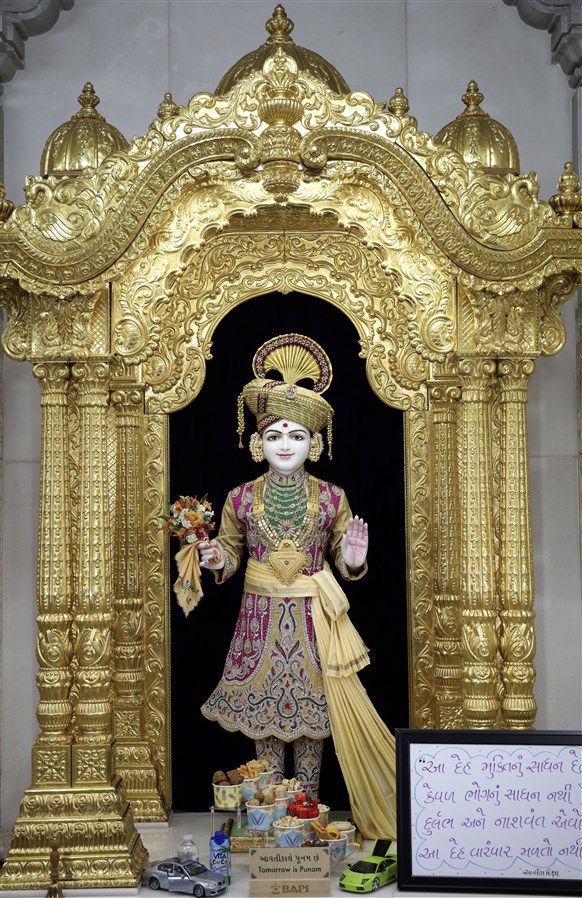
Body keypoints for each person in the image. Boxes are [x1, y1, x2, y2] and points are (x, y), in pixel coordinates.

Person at [199, 334, 397, 839]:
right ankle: (270, 824)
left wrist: (352, 560)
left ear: (316, 443)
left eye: (297, 436)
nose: (284, 445)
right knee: (265, 720)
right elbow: (231, 552)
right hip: (259, 620)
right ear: (256, 443)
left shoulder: (331, 497)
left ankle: (305, 822)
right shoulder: (240, 497)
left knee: (312, 724)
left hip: (315, 624)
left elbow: (344, 556)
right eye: (274, 436)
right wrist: (217, 557)